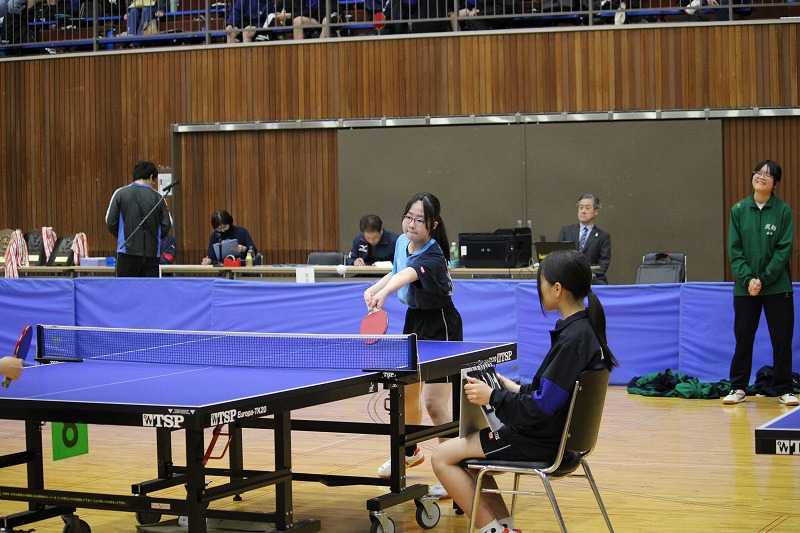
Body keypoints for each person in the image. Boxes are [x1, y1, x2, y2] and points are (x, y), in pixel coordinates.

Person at [431, 249, 618, 533]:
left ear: (557, 289)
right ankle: (505, 528)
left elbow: (541, 407)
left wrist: (493, 396)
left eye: (541, 282)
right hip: (555, 438)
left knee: (442, 457)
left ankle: (494, 531)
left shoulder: (572, 340)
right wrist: (514, 387)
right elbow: (552, 393)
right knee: (469, 459)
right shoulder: (583, 331)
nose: (539, 289)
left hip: (539, 441)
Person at [364, 192, 462, 499]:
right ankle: (410, 452)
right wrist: (375, 287)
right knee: (407, 394)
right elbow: (397, 269)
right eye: (408, 217)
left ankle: (456, 472)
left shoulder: (433, 256)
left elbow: (408, 274)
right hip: (415, 321)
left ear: (433, 225)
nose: (412, 224)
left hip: (441, 325)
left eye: (420, 220)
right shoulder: (400, 243)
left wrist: (385, 294)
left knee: (434, 404)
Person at [723, 159, 798, 407]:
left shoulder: (783, 211)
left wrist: (763, 279)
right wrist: (748, 279)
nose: (761, 176)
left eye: (768, 174)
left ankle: (784, 388)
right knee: (743, 338)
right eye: (758, 172)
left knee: (782, 339)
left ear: (775, 184)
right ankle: (738, 387)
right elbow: (735, 250)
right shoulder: (738, 210)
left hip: (777, 287)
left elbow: (784, 250)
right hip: (745, 289)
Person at [106, 161, 172, 277]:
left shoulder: (120, 194)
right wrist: (153, 238)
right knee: (149, 288)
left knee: (124, 288)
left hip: (126, 253)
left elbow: (110, 222)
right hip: (152, 254)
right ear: (151, 177)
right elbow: (167, 224)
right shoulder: (158, 197)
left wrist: (124, 235)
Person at [557, 193, 611, 284]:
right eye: (581, 207)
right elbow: (557, 255)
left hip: (592, 278)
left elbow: (603, 263)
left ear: (596, 211)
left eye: (587, 208)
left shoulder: (603, 236)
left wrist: (592, 275)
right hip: (568, 276)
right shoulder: (566, 230)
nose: (583, 211)